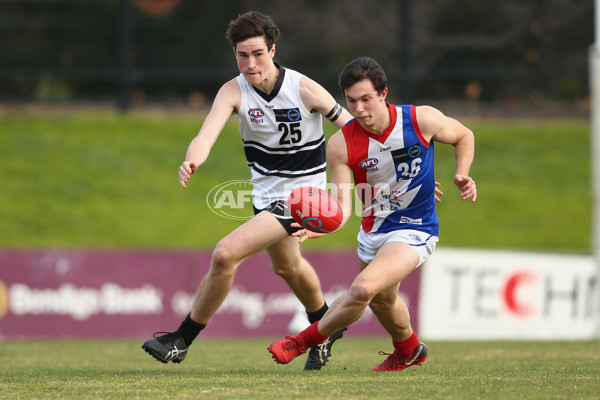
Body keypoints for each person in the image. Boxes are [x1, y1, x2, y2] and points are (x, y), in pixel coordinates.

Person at [141, 11, 353, 371]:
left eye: (257, 54)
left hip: (302, 197)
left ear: (273, 50)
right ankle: (325, 326)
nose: (250, 63)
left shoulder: (304, 89)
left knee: (225, 254)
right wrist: (192, 160)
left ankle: (181, 340)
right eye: (242, 55)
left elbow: (353, 132)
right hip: (265, 196)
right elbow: (206, 134)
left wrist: (386, 172)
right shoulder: (233, 90)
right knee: (288, 267)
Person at [268, 56, 477, 372]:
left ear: (383, 94)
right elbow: (342, 203)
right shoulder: (341, 143)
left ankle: (301, 342)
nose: (359, 109)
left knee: (364, 289)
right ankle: (408, 349)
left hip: (415, 228)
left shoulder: (421, 120)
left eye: (366, 99)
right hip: (373, 230)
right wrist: (322, 223)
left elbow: (464, 136)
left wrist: (462, 173)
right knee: (382, 300)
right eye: (351, 101)